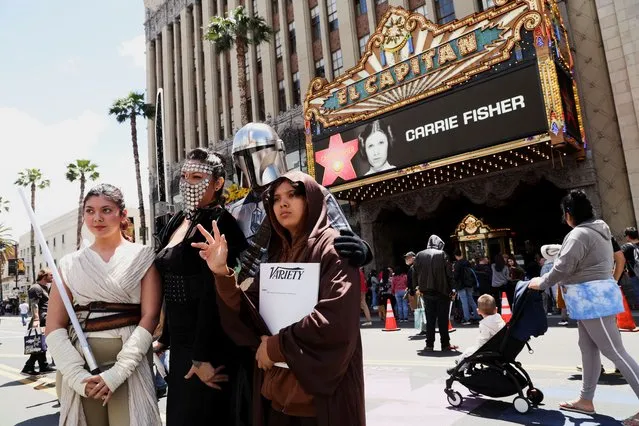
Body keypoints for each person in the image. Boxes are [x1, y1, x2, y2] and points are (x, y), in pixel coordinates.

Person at [196, 171, 366, 426]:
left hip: (319, 401)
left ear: (311, 199)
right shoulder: (277, 255)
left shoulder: (333, 247)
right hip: (280, 395)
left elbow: (335, 321)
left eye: (293, 195)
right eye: (275, 199)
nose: (283, 203)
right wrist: (222, 272)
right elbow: (249, 310)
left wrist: (275, 347)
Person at [45, 184, 162, 425]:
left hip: (130, 365)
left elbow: (150, 316)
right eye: (89, 211)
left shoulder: (143, 256)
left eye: (106, 210)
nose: (97, 218)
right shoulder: (68, 264)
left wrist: (118, 373)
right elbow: (54, 326)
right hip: (80, 369)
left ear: (122, 214)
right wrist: (77, 376)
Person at [153, 148, 249, 426]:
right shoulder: (176, 220)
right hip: (181, 346)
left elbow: (214, 292)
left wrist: (201, 356)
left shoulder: (222, 223)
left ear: (218, 183)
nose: (187, 183)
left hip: (209, 347)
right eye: (184, 176)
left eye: (196, 177)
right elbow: (172, 284)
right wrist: (165, 339)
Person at [528, 190, 639, 423]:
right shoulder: (600, 229)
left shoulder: (579, 234)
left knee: (615, 352)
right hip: (593, 298)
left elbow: (562, 267)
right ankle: (585, 400)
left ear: (569, 214)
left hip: (591, 299)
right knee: (588, 349)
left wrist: (542, 283)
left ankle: (586, 399)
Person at [227, 122, 371, 278]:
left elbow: (344, 238)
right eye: (244, 156)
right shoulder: (235, 212)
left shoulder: (311, 193)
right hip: (256, 295)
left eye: (257, 152)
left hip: (307, 284)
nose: (251, 162)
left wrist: (362, 250)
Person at [413, 235, 458, 352]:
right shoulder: (442, 254)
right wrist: (453, 289)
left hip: (426, 292)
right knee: (443, 319)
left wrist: (417, 287)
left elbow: (414, 272)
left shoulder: (419, 255)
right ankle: (445, 344)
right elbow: (449, 274)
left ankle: (429, 344)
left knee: (430, 319)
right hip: (442, 292)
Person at [447, 294, 505, 374]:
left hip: (488, 350)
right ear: (496, 309)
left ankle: (459, 369)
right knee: (470, 350)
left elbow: (483, 340)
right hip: (499, 346)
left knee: (469, 352)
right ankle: (462, 362)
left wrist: (478, 348)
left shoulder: (484, 324)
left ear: (478, 311)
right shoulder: (499, 319)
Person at [22, 269, 56, 375]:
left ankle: (43, 366)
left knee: (42, 344)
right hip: (40, 320)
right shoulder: (35, 288)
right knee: (39, 343)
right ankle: (28, 367)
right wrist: (36, 319)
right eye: (51, 275)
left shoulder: (45, 288)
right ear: (43, 276)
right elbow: (34, 304)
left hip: (45, 318)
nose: (52, 277)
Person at [453, 250, 480, 325]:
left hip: (461, 285)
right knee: (471, 299)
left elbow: (456, 276)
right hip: (469, 284)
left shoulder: (457, 264)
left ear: (456, 256)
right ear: (462, 254)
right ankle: (476, 315)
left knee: (464, 301)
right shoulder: (467, 262)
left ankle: (467, 318)